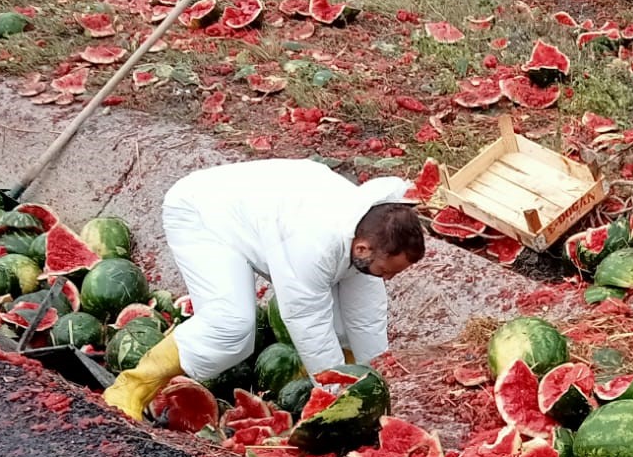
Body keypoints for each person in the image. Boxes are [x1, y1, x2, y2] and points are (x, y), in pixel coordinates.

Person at [103, 160, 427, 421]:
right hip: (202, 214)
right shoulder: (313, 243)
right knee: (230, 325)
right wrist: (339, 400)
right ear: (363, 249)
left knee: (344, 328)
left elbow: (365, 320)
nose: (387, 280)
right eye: (385, 271)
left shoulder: (368, 227)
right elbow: (307, 322)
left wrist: (381, 391)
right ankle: (131, 388)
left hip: (263, 214)